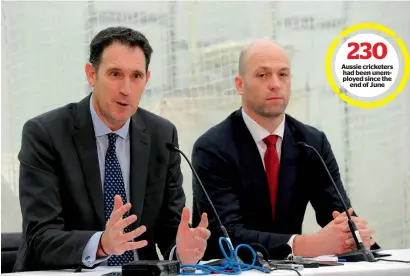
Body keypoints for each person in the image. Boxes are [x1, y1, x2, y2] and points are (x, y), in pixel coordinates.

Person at [14, 26, 210, 272]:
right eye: (115, 74)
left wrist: (182, 250)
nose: (126, 89)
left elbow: (170, 228)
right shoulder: (46, 134)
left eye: (136, 76)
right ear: (91, 74)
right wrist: (102, 245)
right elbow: (39, 237)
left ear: (146, 79)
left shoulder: (162, 135)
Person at [191, 39, 377, 259]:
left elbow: (337, 216)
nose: (275, 84)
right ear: (240, 85)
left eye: (283, 74)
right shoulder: (212, 148)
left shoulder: (312, 143)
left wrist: (355, 236)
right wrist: (305, 245)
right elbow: (225, 236)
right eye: (263, 75)